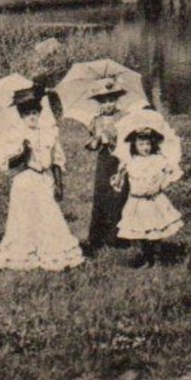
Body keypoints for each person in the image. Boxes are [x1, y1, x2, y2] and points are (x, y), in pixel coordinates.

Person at [0, 91, 84, 272]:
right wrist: (23, 153)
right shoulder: (17, 135)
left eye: (34, 113)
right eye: (27, 114)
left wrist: (59, 184)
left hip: (45, 179)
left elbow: (58, 161)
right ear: (21, 116)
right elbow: (9, 163)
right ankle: (23, 257)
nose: (32, 118)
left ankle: (55, 255)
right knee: (24, 218)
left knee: (50, 215)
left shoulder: (49, 133)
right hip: (26, 180)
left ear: (39, 113)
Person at [112, 108, 184, 266]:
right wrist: (119, 174)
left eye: (148, 143)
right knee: (141, 231)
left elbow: (171, 171)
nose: (145, 147)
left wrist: (166, 174)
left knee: (155, 230)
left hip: (153, 201)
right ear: (134, 145)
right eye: (141, 143)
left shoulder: (158, 159)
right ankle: (146, 257)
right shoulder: (131, 161)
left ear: (153, 144)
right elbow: (120, 179)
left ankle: (157, 258)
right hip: (137, 202)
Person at [82, 86, 130, 255]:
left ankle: (117, 237)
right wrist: (96, 140)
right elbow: (91, 144)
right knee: (101, 194)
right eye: (104, 101)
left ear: (117, 101)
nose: (108, 104)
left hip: (120, 159)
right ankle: (96, 238)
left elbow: (128, 139)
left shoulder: (123, 117)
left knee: (119, 194)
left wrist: (112, 139)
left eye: (111, 100)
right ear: (99, 103)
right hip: (104, 160)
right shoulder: (96, 120)